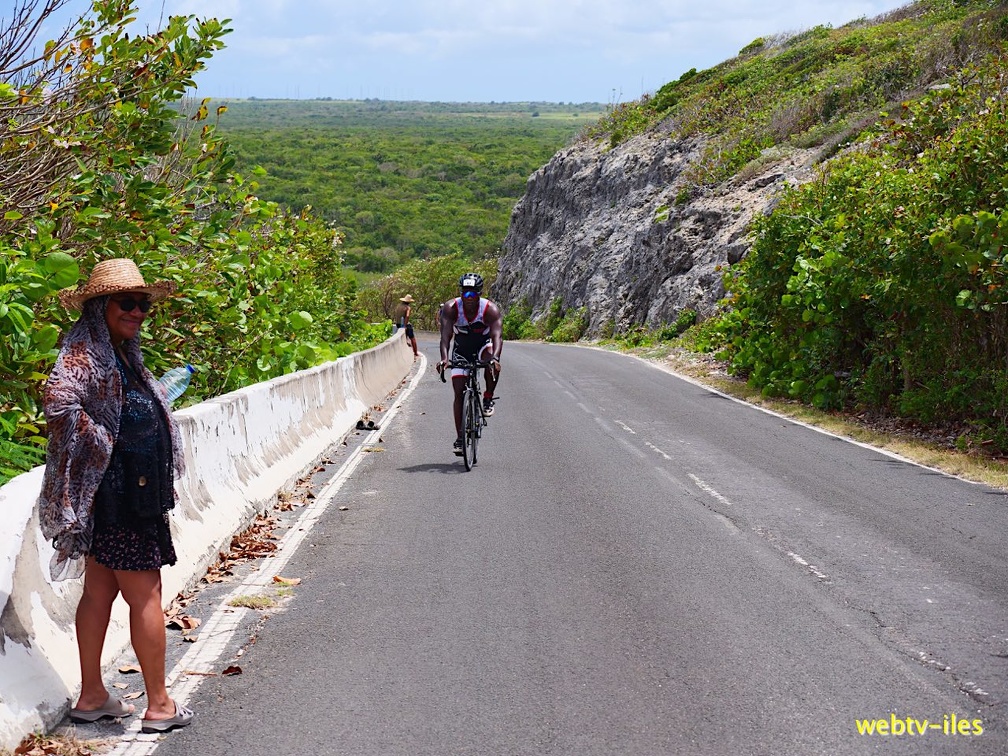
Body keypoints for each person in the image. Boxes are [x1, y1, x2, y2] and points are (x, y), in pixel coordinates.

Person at [36, 258, 194, 734]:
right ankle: (161, 705)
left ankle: (92, 696)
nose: (138, 312)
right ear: (101, 305)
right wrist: (105, 445)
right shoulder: (85, 353)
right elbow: (58, 401)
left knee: (100, 591)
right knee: (147, 595)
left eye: (143, 303)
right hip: (123, 496)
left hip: (123, 494)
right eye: (127, 303)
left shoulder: (119, 352)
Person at [436, 272, 503, 455]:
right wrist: (444, 358)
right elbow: (445, 337)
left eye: (473, 294)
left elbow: (497, 337)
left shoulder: (490, 310)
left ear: (479, 294)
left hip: (483, 345)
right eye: (465, 294)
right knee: (458, 392)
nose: (469, 298)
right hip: (461, 348)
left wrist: (495, 359)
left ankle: (488, 398)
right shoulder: (451, 308)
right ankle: (459, 438)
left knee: (490, 361)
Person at [394, 294, 418, 359]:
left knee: (404, 338)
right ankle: (415, 353)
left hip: (398, 324)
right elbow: (407, 316)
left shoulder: (398, 306)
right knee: (412, 338)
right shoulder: (407, 308)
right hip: (404, 324)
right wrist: (405, 325)